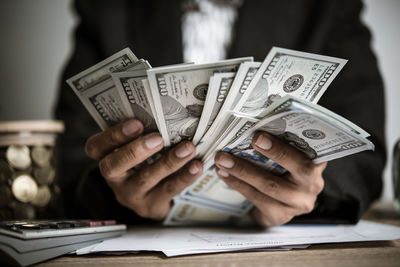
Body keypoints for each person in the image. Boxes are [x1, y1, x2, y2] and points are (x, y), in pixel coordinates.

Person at [55, 0, 386, 226]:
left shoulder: (327, 7)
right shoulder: (107, 8)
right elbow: (73, 160)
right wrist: (116, 194)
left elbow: (364, 150)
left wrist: (309, 197)